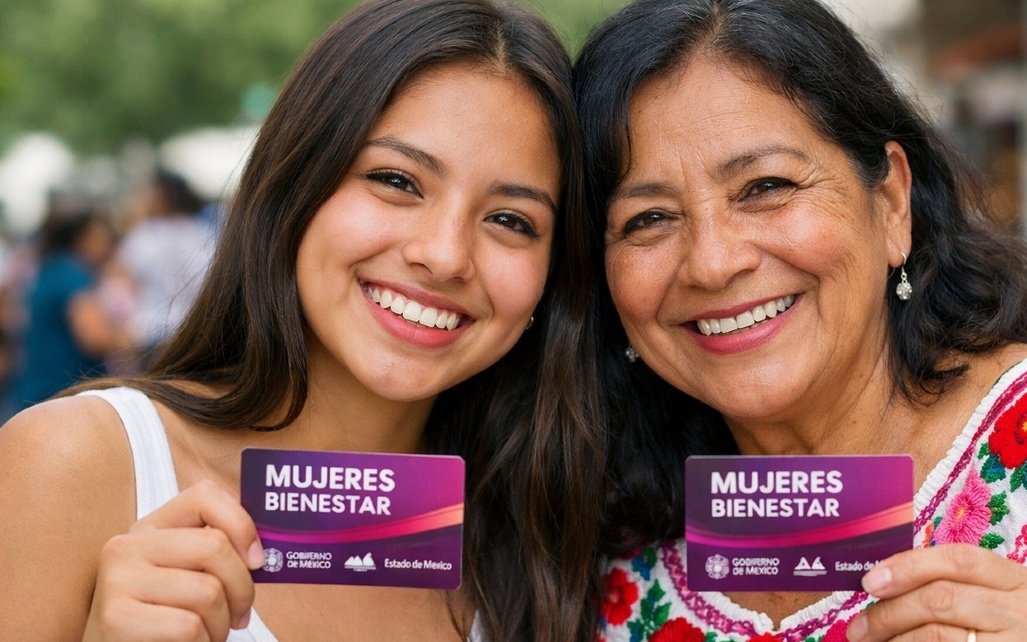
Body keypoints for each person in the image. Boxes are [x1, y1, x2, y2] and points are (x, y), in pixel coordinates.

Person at [573, 0, 1027, 640]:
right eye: (647, 219)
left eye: (766, 187)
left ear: (892, 201)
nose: (711, 263)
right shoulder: (605, 535)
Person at [0, 0, 605, 640]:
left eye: (511, 220)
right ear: (297, 183)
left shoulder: (548, 536)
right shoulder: (77, 460)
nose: (446, 254)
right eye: (396, 180)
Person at [3, 207, 129, 415]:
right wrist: (135, 341)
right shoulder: (72, 277)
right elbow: (96, 338)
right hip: (63, 394)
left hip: (38, 390)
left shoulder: (51, 269)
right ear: (81, 239)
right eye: (101, 237)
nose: (108, 244)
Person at [111, 169, 215, 367]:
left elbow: (117, 279)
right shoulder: (202, 232)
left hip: (151, 334)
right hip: (195, 332)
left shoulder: (145, 235)